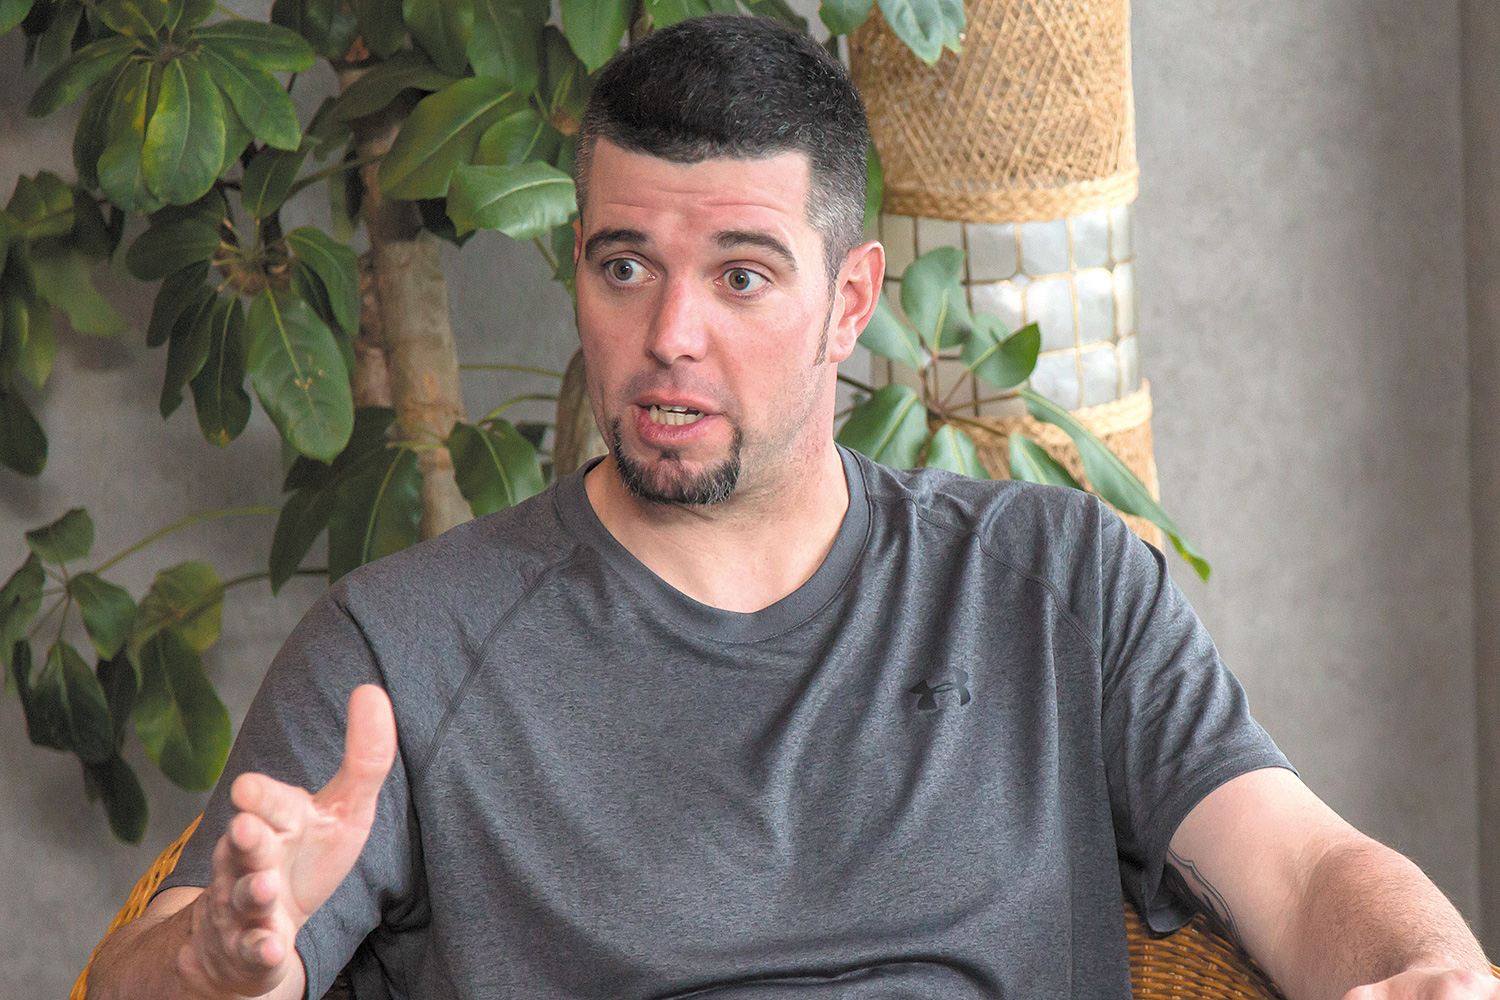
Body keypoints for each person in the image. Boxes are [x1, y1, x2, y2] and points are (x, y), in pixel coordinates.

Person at [87, 15, 1495, 1000]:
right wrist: (217, 960)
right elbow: (176, 959)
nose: (669, 335)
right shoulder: (405, 650)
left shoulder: (1057, 581)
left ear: (853, 301)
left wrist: (1430, 968)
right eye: (624, 266)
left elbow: (1300, 870)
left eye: (743, 276)